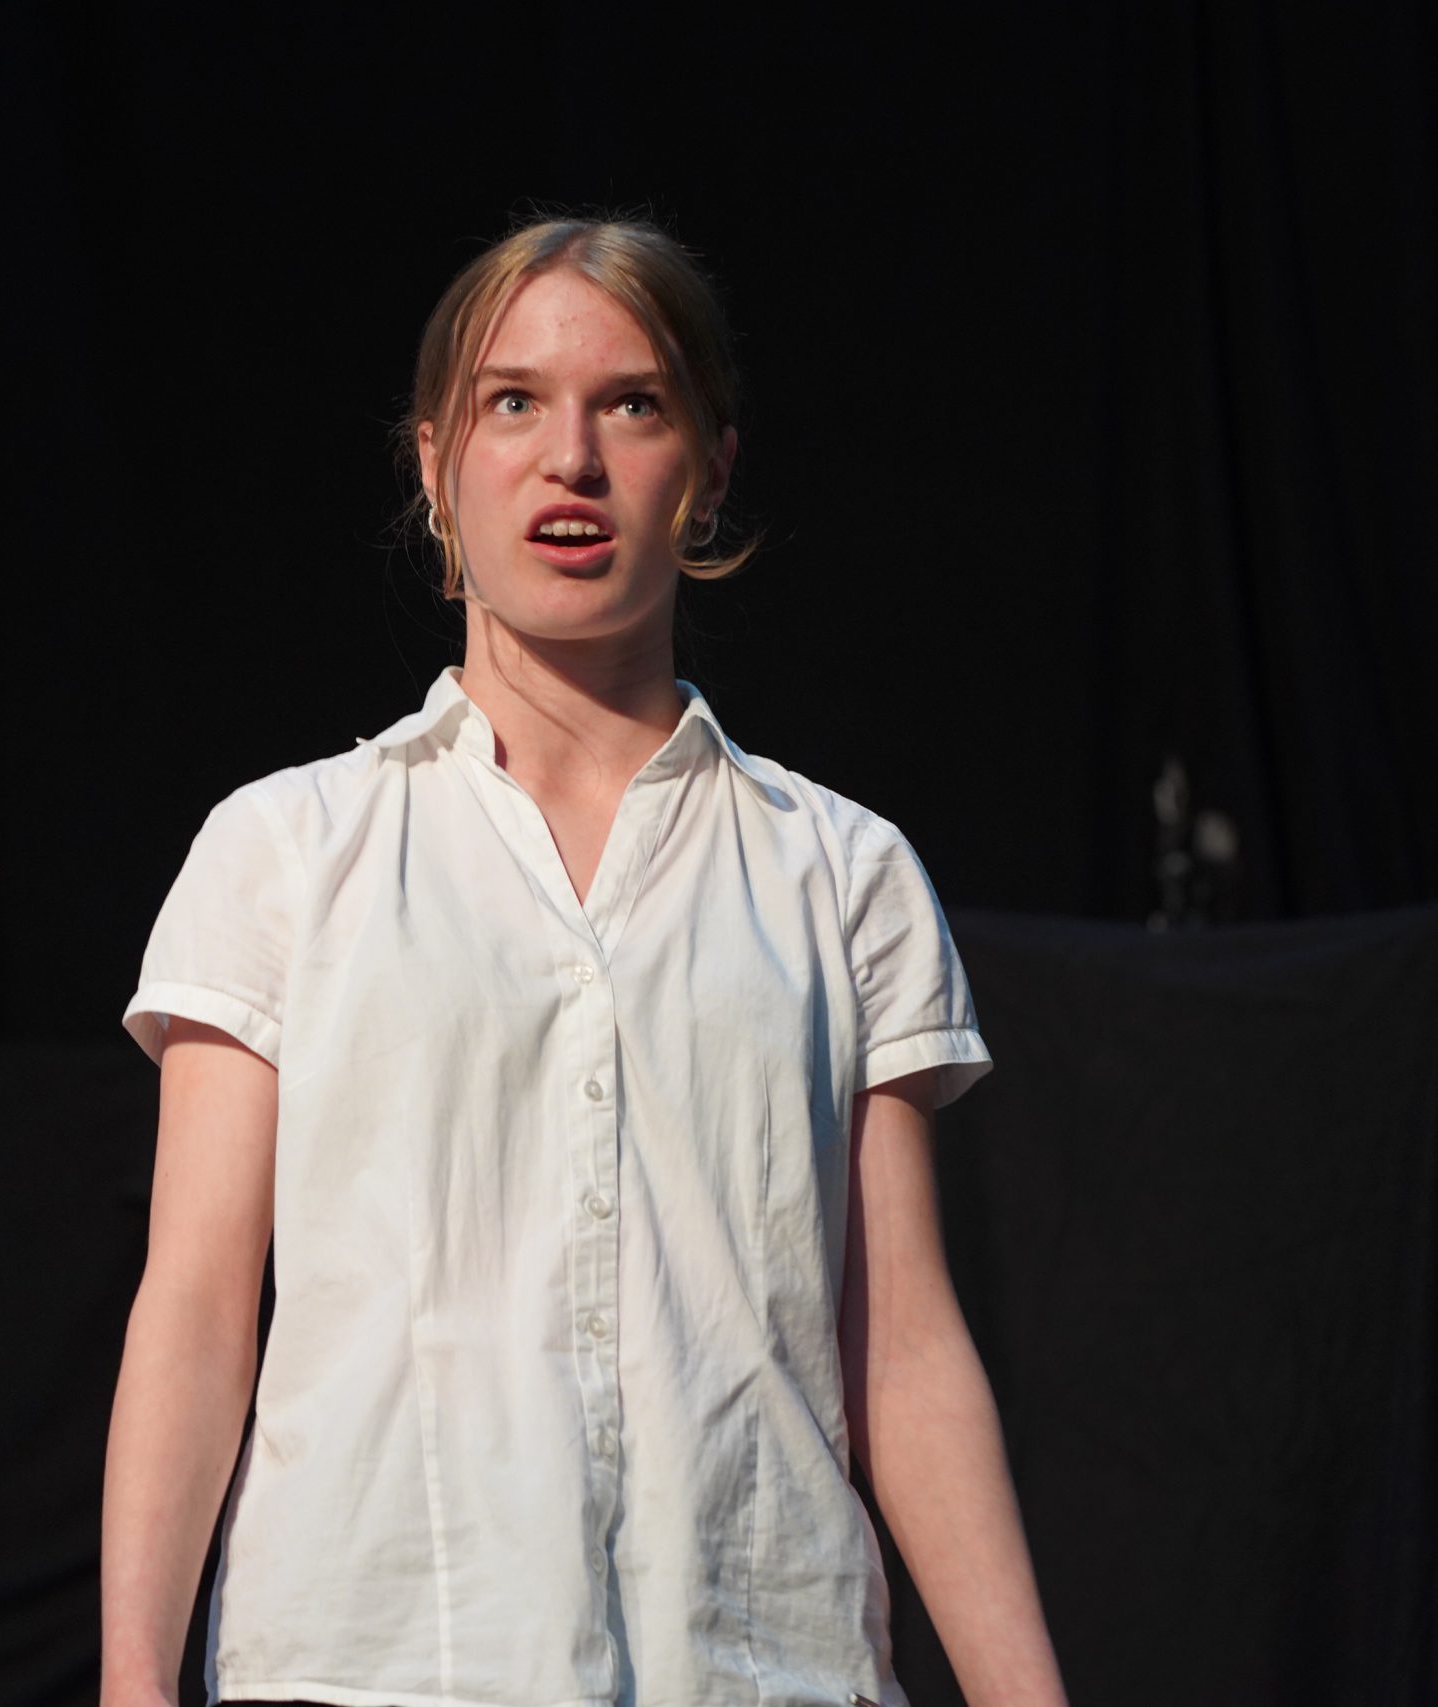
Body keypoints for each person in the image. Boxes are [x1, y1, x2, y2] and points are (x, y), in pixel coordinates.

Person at [101, 218, 1067, 1707]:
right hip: (380, 1667)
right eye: (513, 402)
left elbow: (904, 1344)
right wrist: (132, 1677)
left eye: (632, 403)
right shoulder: (287, 847)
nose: (572, 458)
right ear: (436, 466)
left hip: (753, 1663)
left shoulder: (838, 870)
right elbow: (197, 1306)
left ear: (710, 466)